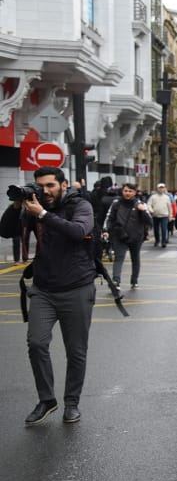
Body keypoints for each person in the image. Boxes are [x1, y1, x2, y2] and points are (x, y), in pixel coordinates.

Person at [16, 167, 97, 426]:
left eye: (50, 185)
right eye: (41, 186)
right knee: (36, 343)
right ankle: (47, 399)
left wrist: (42, 214)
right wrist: (17, 205)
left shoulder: (80, 205)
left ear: (63, 185)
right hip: (43, 289)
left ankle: (71, 403)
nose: (46, 191)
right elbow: (5, 230)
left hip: (77, 286)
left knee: (76, 351)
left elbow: (78, 231)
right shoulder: (33, 206)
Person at [103, 183, 152, 289]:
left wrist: (143, 210)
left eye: (130, 191)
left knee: (135, 258)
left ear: (134, 192)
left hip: (136, 237)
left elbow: (149, 221)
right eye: (125, 191)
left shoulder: (140, 204)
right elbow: (109, 217)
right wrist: (106, 230)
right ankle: (116, 281)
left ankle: (134, 281)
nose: (127, 193)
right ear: (122, 191)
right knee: (119, 258)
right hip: (120, 235)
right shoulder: (116, 203)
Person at [147, 183, 173, 247]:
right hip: (155, 216)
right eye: (160, 188)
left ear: (164, 189)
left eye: (162, 188)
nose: (161, 189)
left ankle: (163, 242)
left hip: (164, 216)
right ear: (157, 189)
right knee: (156, 229)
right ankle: (157, 240)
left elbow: (169, 207)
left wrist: (170, 215)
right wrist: (151, 210)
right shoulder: (153, 197)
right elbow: (149, 204)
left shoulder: (167, 197)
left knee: (164, 229)